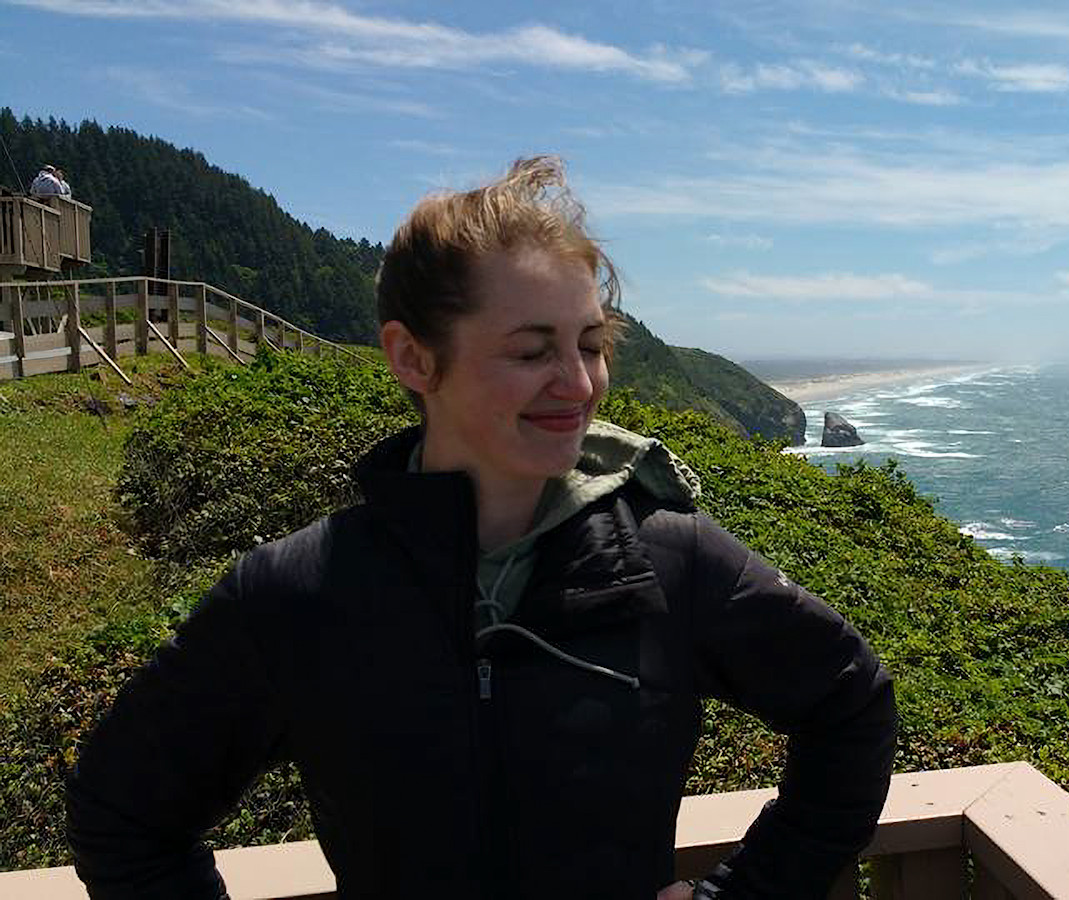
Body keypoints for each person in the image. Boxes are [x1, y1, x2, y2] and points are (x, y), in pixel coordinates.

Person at [65, 157, 897, 899]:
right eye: (532, 351)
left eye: (591, 344)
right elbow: (122, 815)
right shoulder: (296, 593)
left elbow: (850, 707)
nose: (578, 384)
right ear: (414, 359)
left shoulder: (669, 559)